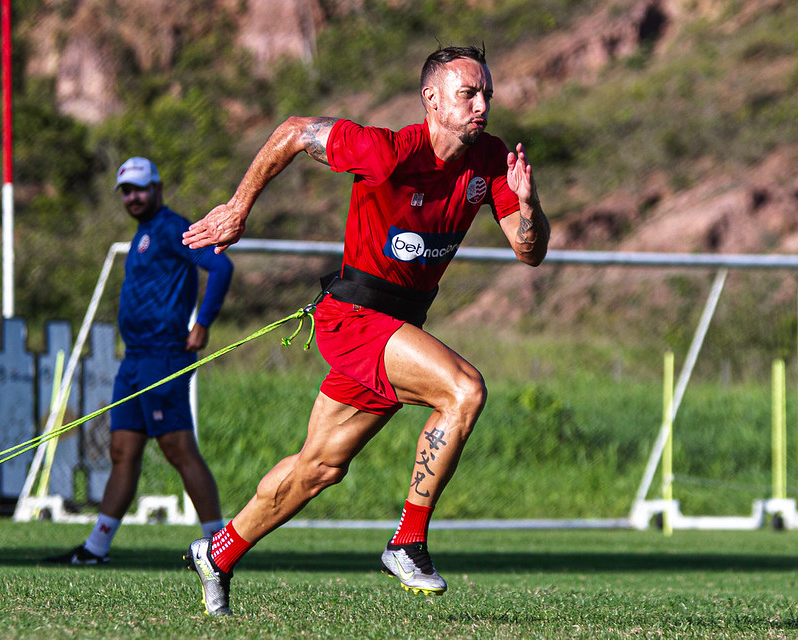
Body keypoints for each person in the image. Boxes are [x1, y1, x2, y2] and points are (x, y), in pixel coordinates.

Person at [181, 44, 550, 616]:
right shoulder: (384, 150)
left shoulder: (491, 161)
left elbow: (529, 253)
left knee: (318, 468)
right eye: (468, 94)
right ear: (431, 98)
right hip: (353, 318)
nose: (482, 106)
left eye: (487, 96)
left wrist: (529, 207)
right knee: (464, 390)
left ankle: (219, 552)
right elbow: (294, 131)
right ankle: (408, 541)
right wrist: (238, 207)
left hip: (397, 326)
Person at [45, 157, 234, 565]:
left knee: (178, 448)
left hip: (164, 354)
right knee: (121, 451)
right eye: (126, 191)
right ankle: (96, 548)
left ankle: (220, 548)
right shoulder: (143, 234)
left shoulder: (170, 228)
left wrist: (202, 323)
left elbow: (220, 266)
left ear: (158, 188)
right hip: (133, 360)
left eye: (140, 189)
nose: (133, 197)